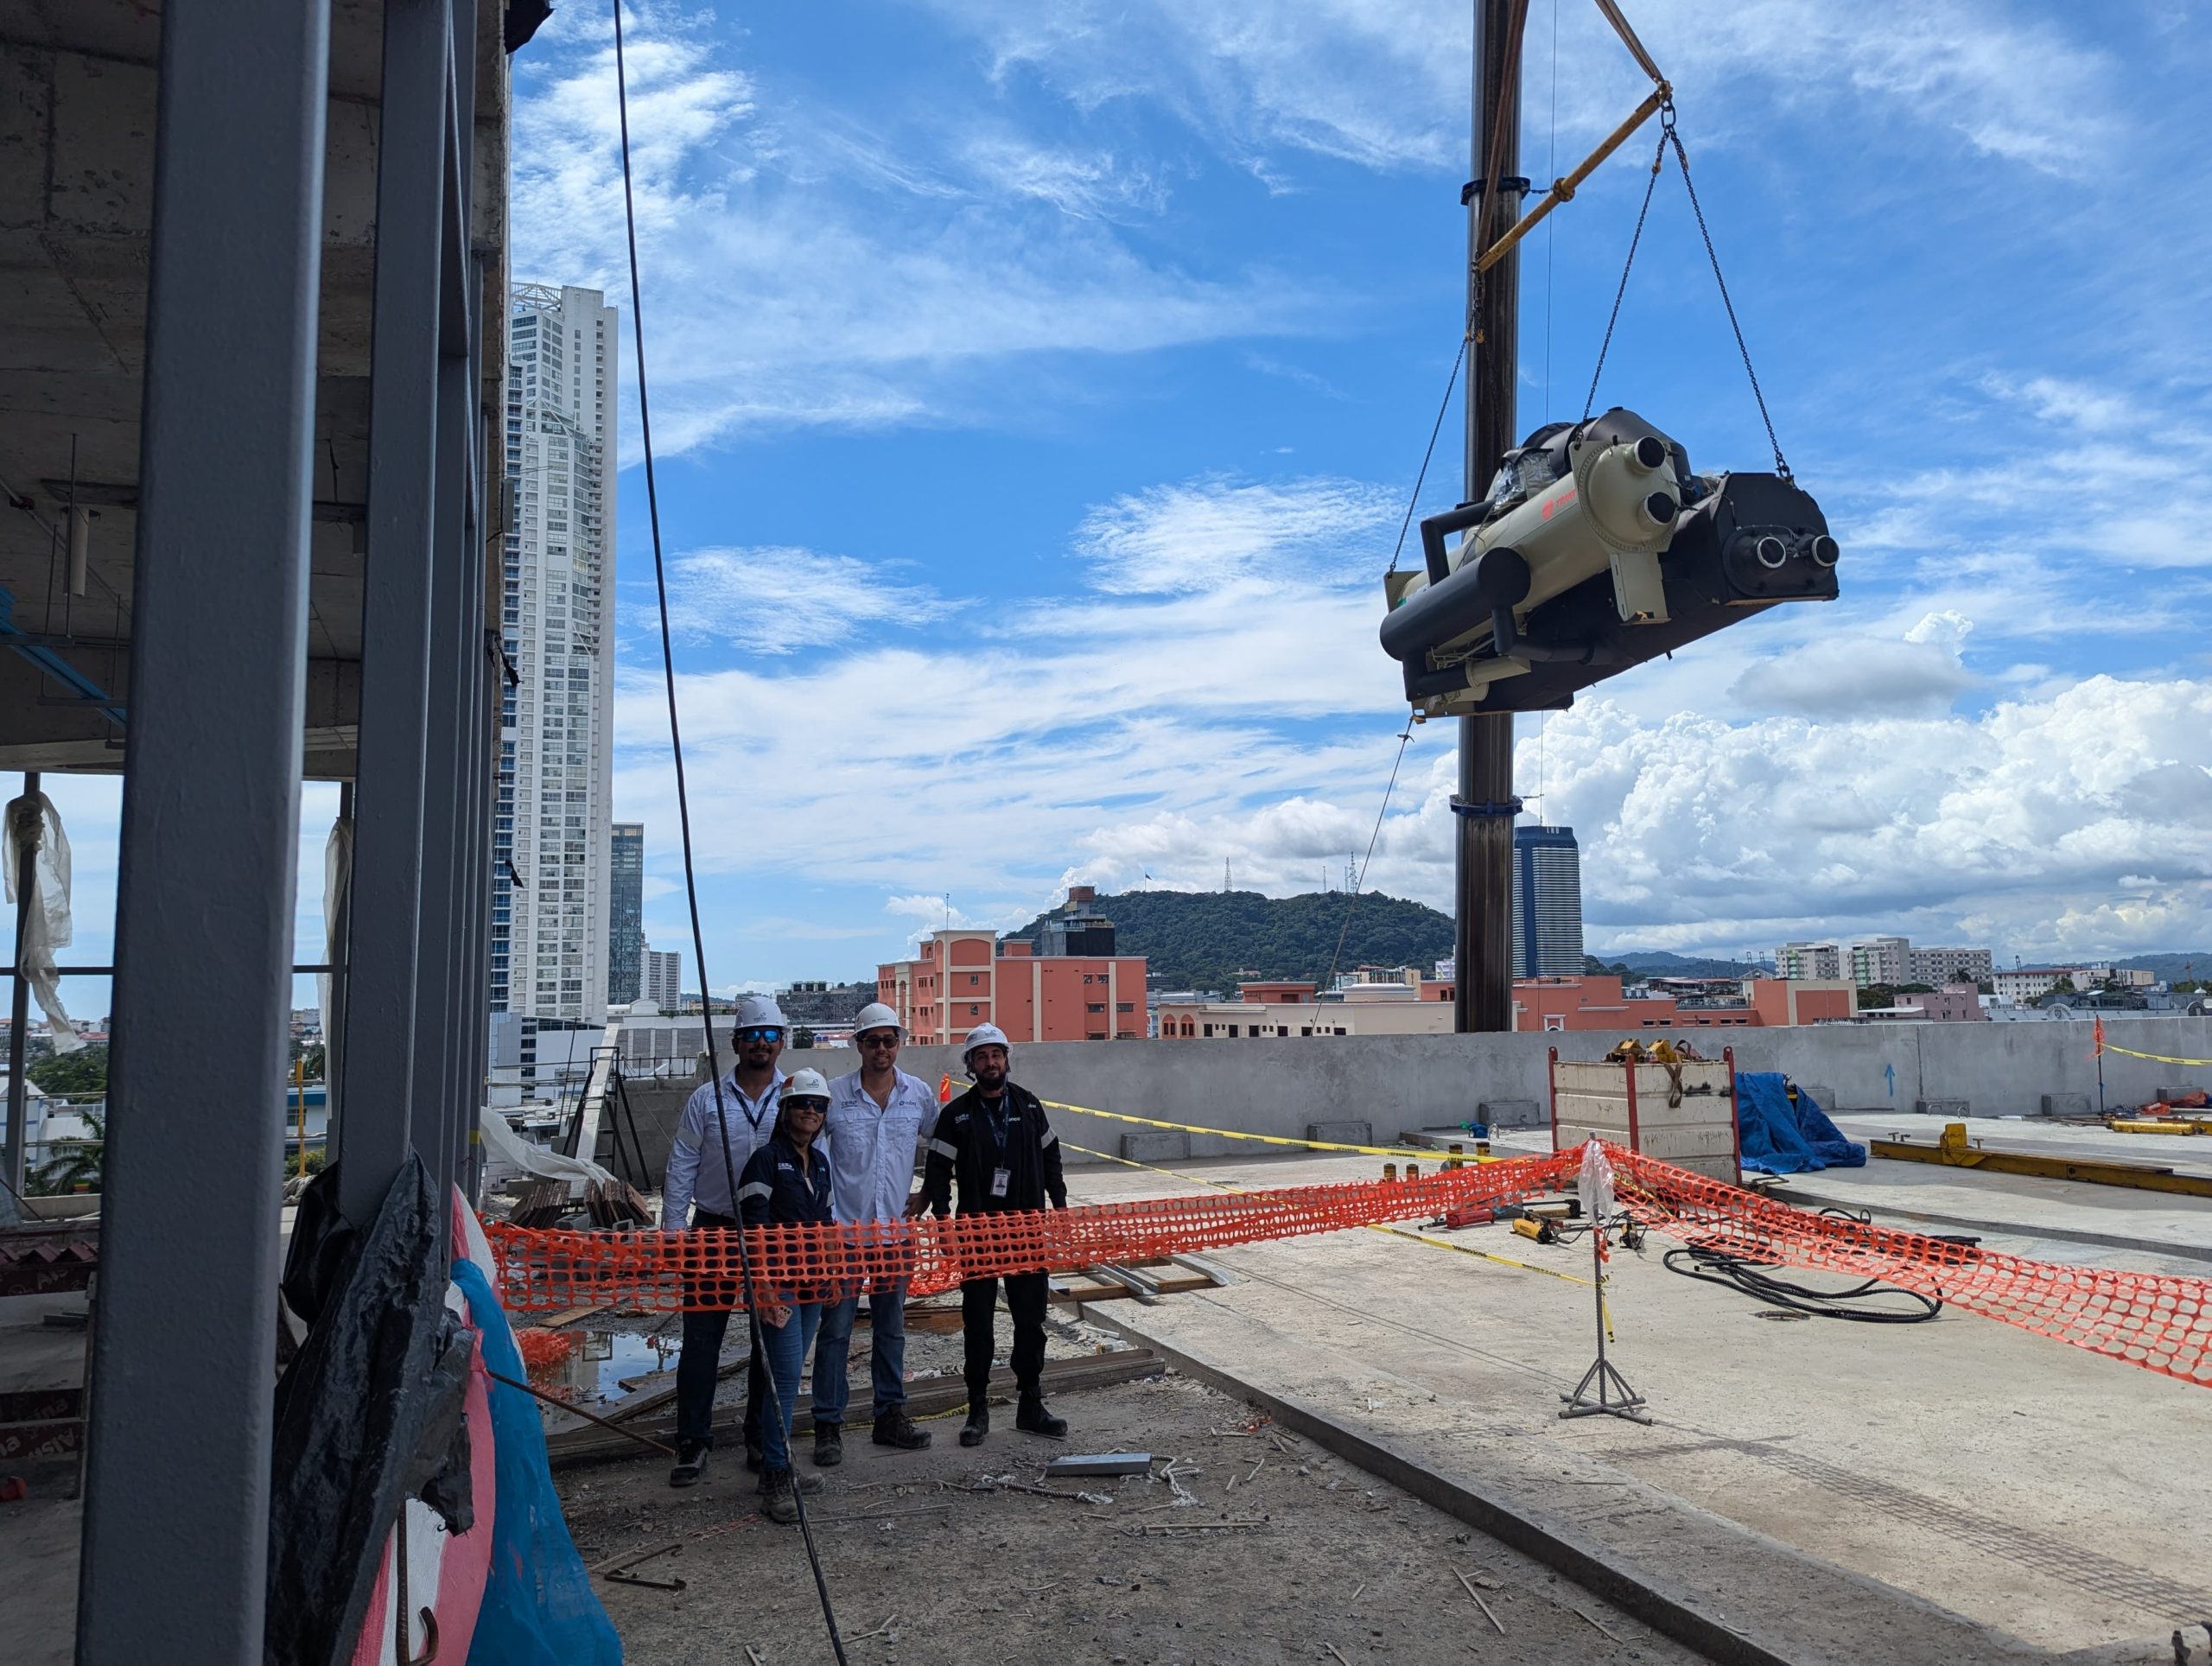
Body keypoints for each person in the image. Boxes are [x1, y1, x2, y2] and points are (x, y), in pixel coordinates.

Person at [924, 1023, 1069, 1448]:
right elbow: (937, 1171)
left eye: (997, 1055)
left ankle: (1030, 1404)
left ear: (1007, 1059)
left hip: (1026, 1233)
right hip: (978, 1235)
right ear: (970, 1064)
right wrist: (942, 1221)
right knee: (979, 1324)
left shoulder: (1028, 1105)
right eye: (982, 1056)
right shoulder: (957, 1116)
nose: (991, 1063)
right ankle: (978, 1409)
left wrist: (1059, 1207)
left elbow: (1052, 1157)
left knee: (1030, 1322)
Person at [664, 992, 787, 1488]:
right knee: (701, 1343)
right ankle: (692, 1441)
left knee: (770, 1341)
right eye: (752, 1035)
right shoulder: (705, 1100)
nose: (761, 1043)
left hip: (774, 1237)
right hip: (713, 1230)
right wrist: (674, 1233)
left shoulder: (795, 1097)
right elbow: (681, 1166)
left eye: (770, 1035)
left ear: (782, 1042)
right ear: (736, 1042)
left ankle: (760, 1435)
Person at [810, 1002, 934, 1466]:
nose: (882, 1049)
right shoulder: (834, 1098)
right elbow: (816, 1161)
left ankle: (890, 1417)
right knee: (836, 1332)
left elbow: (940, 1146)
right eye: (872, 1041)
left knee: (892, 1330)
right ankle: (828, 1425)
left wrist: (928, 1193)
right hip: (845, 1237)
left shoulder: (917, 1095)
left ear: (899, 1043)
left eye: (889, 1040)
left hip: (896, 1236)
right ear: (857, 1045)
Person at [736, 1068, 836, 1523]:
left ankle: (778, 1464)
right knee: (784, 1377)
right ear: (785, 1110)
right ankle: (776, 1475)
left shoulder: (818, 1163)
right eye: (802, 1105)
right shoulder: (765, 1160)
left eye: (818, 1106)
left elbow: (827, 1223)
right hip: (778, 1284)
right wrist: (760, 1287)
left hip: (813, 1282)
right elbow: (751, 1228)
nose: (811, 1112)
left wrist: (833, 1273)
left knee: (790, 1375)